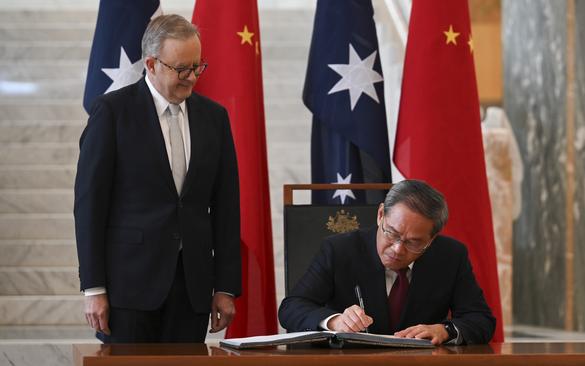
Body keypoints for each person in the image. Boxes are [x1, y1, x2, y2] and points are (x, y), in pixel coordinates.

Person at [74, 14, 241, 343]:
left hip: (192, 290)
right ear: (151, 64)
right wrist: (94, 287)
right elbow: (89, 206)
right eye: (182, 69)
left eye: (197, 67)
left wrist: (225, 286)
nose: (191, 78)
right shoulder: (112, 113)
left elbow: (226, 207)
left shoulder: (214, 118)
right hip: (129, 289)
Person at [278, 180, 495, 345]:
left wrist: (445, 330)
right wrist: (334, 321)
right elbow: (291, 308)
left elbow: (481, 320)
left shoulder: (450, 255)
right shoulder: (340, 250)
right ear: (381, 215)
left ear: (432, 239)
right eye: (392, 233)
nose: (398, 249)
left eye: (414, 242)